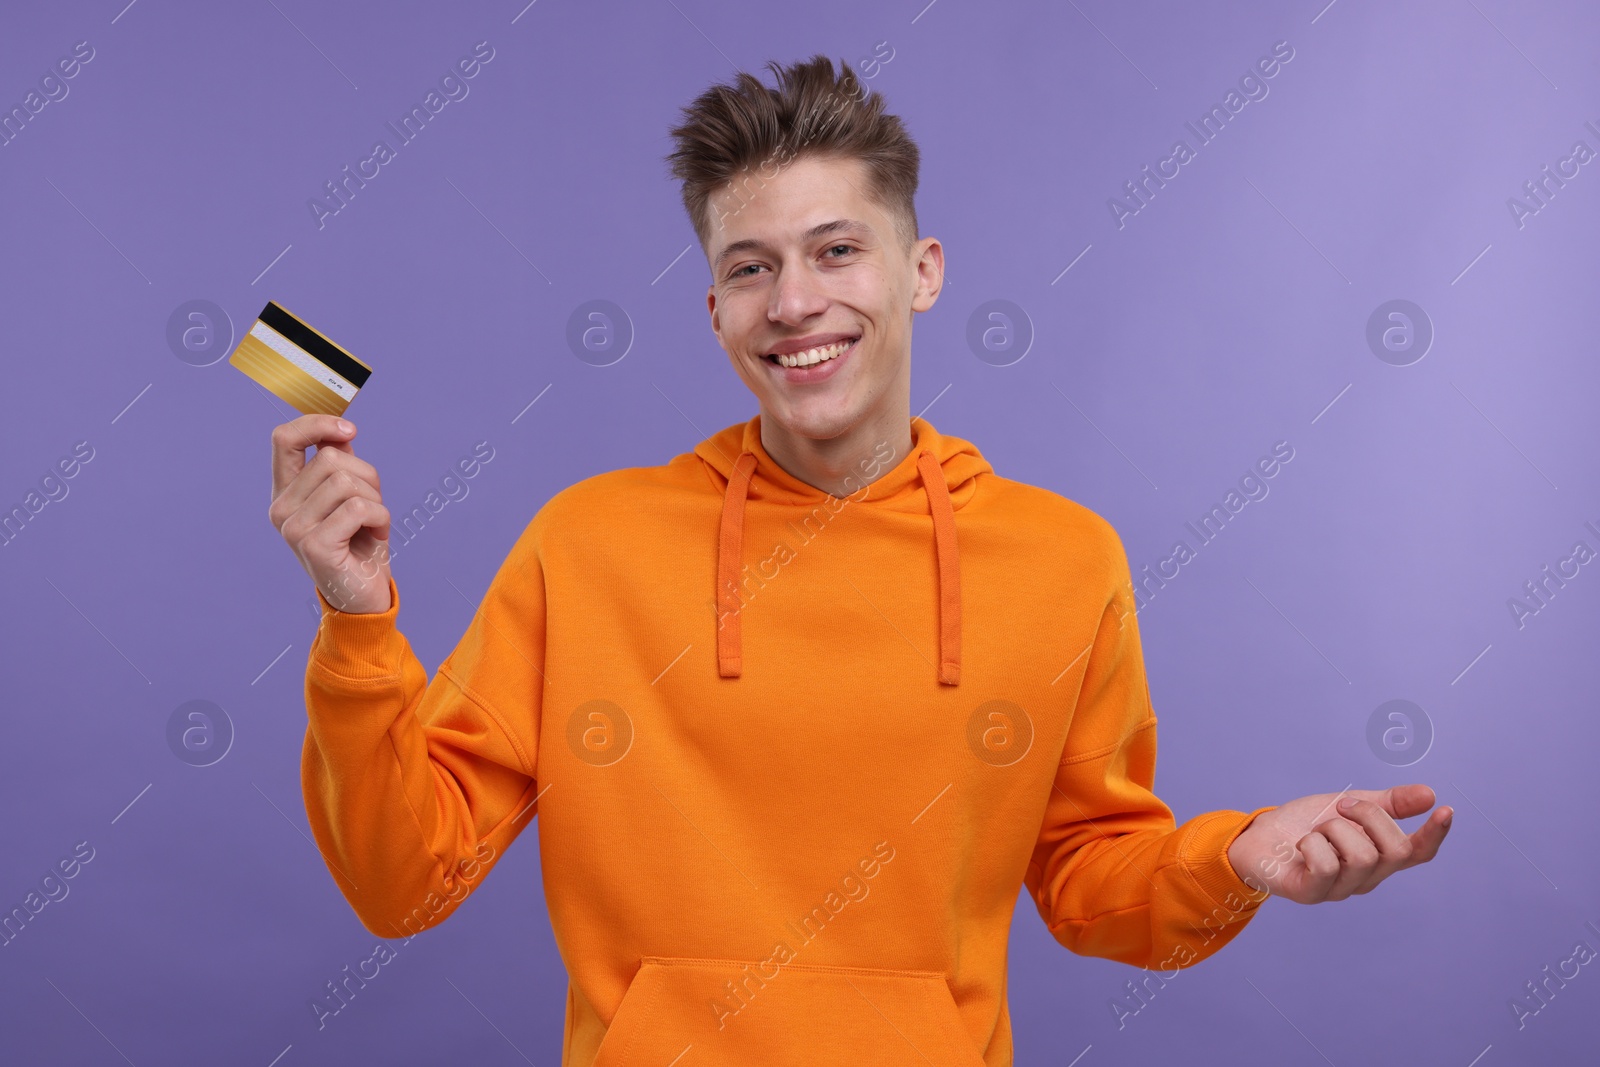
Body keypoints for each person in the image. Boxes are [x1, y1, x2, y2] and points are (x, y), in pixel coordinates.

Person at [268, 54, 1451, 1065]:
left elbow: (1098, 883)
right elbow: (403, 882)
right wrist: (355, 616)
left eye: (836, 250)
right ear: (715, 310)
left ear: (920, 271)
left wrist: (1232, 857)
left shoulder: (1063, 557)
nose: (794, 301)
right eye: (749, 267)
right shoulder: (588, 542)